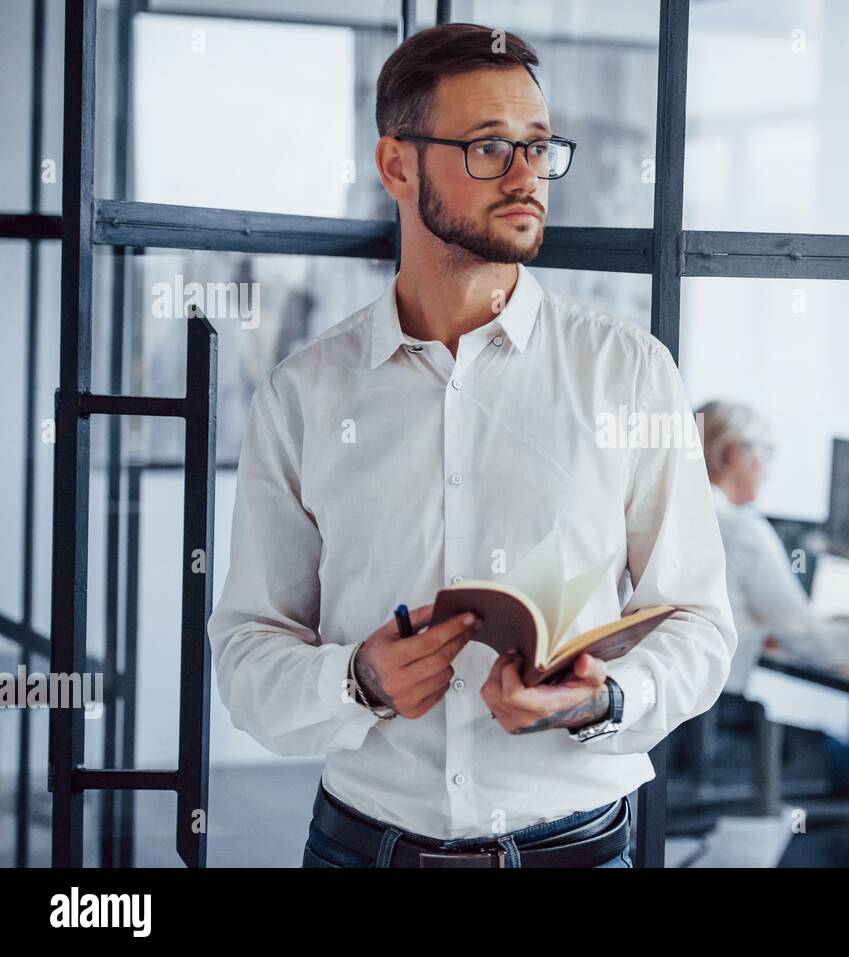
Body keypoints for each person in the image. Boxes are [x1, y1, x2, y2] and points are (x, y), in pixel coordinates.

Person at [207, 23, 736, 869]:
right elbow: (245, 651)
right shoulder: (303, 394)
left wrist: (606, 699)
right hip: (360, 848)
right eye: (490, 148)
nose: (528, 177)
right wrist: (358, 682)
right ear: (397, 166)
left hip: (579, 849)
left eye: (538, 147)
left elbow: (701, 623)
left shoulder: (629, 373)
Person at [673, 400, 849, 867]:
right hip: (711, 738)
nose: (767, 469)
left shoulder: (672, 513)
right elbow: (808, 639)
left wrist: (754, 629)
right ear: (734, 454)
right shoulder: (742, 529)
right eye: (765, 454)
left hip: (669, 730)